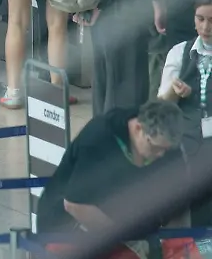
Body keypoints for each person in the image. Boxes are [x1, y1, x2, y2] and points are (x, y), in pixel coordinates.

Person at [36, 100, 182, 235]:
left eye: (166, 149)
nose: (161, 155)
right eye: (155, 147)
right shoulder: (99, 139)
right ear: (138, 128)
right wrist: (121, 241)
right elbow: (75, 204)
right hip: (66, 226)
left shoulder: (166, 146)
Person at [157, 0, 212, 224]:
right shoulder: (179, 52)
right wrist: (174, 91)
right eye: (201, 19)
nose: (206, 28)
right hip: (188, 139)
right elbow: (161, 105)